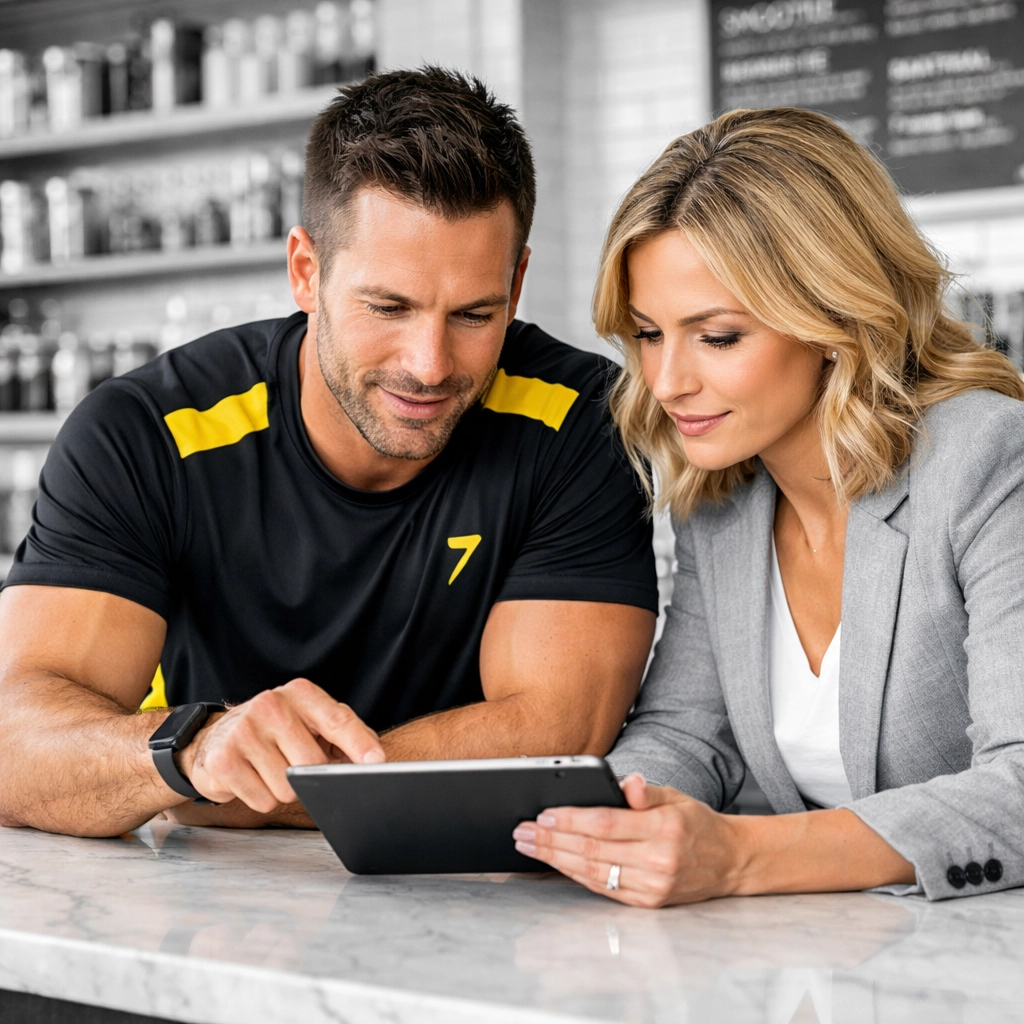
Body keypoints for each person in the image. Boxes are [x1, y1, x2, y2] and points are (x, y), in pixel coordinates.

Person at [0, 67, 657, 838]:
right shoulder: (147, 430)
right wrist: (198, 751)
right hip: (222, 905)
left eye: (475, 314)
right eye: (388, 307)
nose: (430, 363)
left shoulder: (583, 421)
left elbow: (556, 735)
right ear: (305, 271)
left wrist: (271, 786)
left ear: (516, 285)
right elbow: (17, 746)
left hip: (485, 891)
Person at [512, 106, 1024, 906]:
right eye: (648, 334)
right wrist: (583, 823)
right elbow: (687, 733)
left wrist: (744, 855)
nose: (668, 381)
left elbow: (1020, 784)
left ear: (831, 319)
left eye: (716, 337)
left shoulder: (988, 458)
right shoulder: (724, 500)